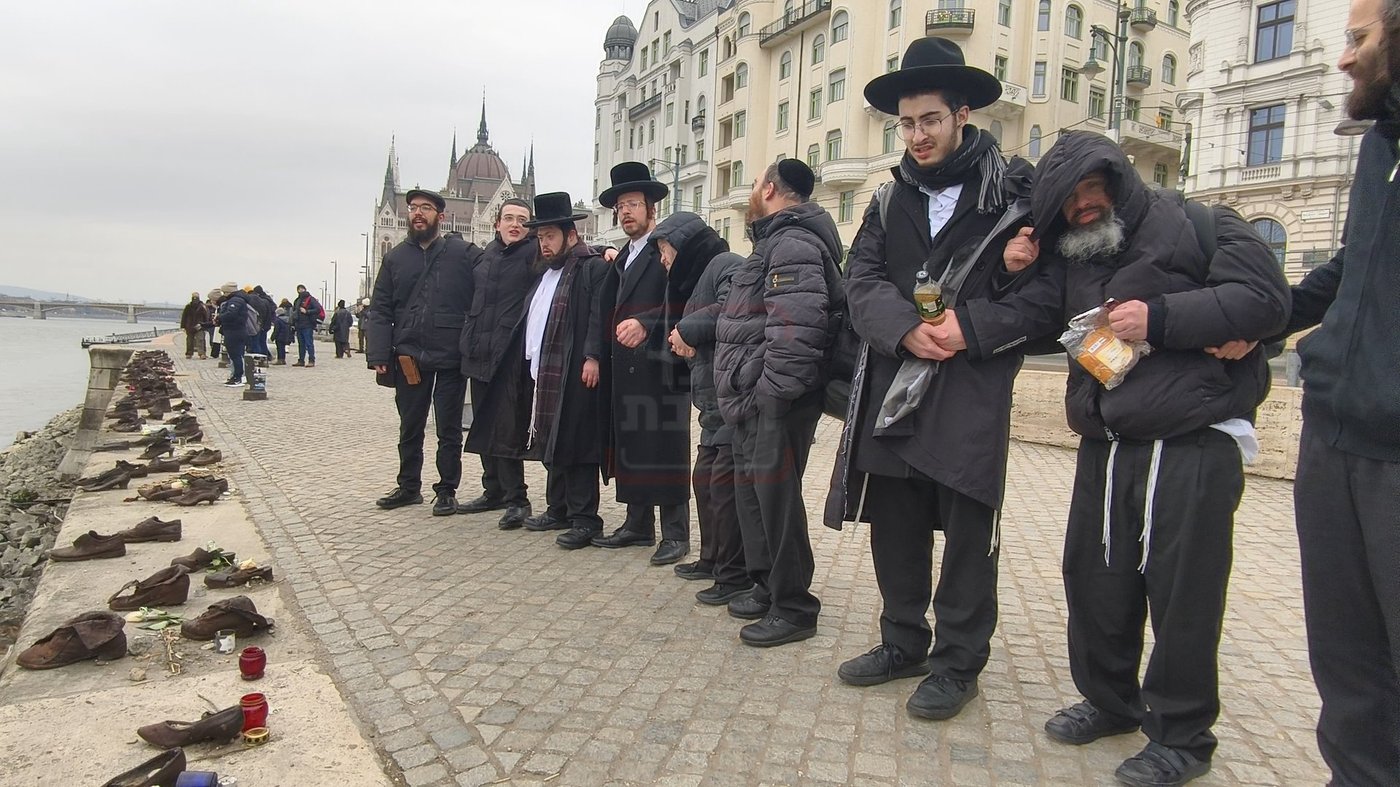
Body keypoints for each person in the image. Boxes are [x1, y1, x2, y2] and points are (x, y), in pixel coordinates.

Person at [1007, 131, 1289, 787]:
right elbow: (1033, 316)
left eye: (1090, 187)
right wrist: (1011, 262)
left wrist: (1158, 317)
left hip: (1191, 441)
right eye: (1067, 199)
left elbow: (1269, 301)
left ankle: (1183, 736)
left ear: (1117, 177)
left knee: (1183, 592)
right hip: (1108, 443)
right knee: (1096, 578)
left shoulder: (1201, 222)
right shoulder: (1077, 255)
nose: (1082, 204)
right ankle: (1111, 701)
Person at [828, 36, 1046, 722]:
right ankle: (902, 640)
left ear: (962, 114)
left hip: (970, 387)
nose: (917, 135)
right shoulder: (887, 201)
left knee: (967, 530)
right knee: (895, 523)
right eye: (907, 123)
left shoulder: (1016, 190)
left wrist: (970, 328)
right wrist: (903, 327)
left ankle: (957, 662)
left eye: (930, 119)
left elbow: (1048, 293)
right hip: (896, 384)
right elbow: (857, 281)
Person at [1273, 1, 1400, 782]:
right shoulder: (1377, 145)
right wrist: (1253, 318)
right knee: (1347, 660)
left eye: (1358, 38)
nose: (1344, 58)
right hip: (1333, 439)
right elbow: (1347, 268)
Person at [712, 159, 844, 647]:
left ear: (768, 189)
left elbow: (796, 329)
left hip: (776, 401)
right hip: (753, 399)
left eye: (753, 184)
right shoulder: (773, 241)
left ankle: (794, 606)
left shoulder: (792, 244)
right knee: (757, 498)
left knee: (778, 500)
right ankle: (766, 586)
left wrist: (769, 394)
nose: (751, 192)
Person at [465, 192, 609, 550]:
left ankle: (585, 518)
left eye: (549, 237)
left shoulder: (588, 267)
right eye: (540, 237)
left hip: (576, 368)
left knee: (576, 445)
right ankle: (558, 507)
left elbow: (597, 316)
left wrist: (593, 356)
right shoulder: (545, 270)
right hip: (541, 370)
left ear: (570, 235)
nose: (543, 244)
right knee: (551, 442)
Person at [590, 163, 696, 566]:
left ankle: (675, 532)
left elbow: (686, 301)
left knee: (665, 447)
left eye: (633, 204)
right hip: (625, 367)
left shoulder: (666, 249)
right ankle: (637, 523)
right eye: (620, 206)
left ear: (651, 208)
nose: (626, 213)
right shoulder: (621, 258)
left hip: (662, 364)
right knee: (632, 442)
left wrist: (648, 324)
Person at [367, 188, 481, 515]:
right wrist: (377, 355)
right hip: (408, 356)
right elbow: (381, 309)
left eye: (426, 208)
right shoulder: (394, 258)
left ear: (440, 217)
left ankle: (446, 490)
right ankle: (408, 486)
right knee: (410, 424)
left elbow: (496, 271)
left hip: (450, 354)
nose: (418, 213)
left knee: (448, 427)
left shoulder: (462, 253)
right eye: (414, 208)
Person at [654, 213, 743, 592]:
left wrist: (686, 330)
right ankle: (711, 558)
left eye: (664, 249)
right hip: (711, 403)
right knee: (704, 482)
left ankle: (731, 572)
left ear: (684, 243)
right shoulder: (694, 283)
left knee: (722, 488)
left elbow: (732, 311)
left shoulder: (726, 264)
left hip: (731, 397)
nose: (662, 259)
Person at [458, 198, 537, 529]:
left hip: (511, 358)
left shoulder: (535, 256)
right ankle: (493, 490)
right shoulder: (484, 257)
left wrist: (603, 249)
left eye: (522, 220)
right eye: (509, 219)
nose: (515, 225)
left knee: (507, 430)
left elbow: (569, 254)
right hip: (479, 353)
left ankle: (518, 499)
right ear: (497, 223)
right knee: (484, 425)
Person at [215, 286, 256, 387]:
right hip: (235, 331)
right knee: (236, 355)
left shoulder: (236, 300)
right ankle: (236, 376)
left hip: (234, 331)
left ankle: (238, 377)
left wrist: (220, 317)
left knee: (236, 355)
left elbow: (231, 314)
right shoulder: (238, 300)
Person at [291, 284, 323, 367]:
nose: (300, 290)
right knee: (301, 344)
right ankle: (301, 360)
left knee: (309, 343)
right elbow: (294, 312)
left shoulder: (311, 299)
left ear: (305, 289)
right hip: (299, 325)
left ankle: (311, 360)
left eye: (301, 289)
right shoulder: (297, 300)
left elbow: (318, 309)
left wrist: (307, 311)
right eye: (299, 289)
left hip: (307, 324)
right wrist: (293, 324)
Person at [250, 285, 277, 357]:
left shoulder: (262, 300)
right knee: (262, 341)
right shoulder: (267, 299)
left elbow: (264, 313)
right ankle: (267, 356)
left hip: (263, 324)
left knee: (260, 341)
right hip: (266, 323)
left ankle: (264, 357)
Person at [180, 292, 208, 359]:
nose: (195, 299)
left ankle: (202, 353)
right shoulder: (188, 306)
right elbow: (184, 316)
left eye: (196, 297)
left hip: (199, 325)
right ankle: (189, 353)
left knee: (200, 340)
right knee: (189, 340)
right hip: (189, 325)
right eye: (194, 297)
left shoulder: (202, 306)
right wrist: (183, 326)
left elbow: (206, 316)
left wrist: (205, 325)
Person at [272, 299, 294, 365]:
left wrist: (273, 337)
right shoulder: (287, 320)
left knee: (279, 349)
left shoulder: (278, 320)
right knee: (283, 349)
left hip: (279, 337)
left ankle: (279, 360)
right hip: (285, 336)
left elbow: (276, 330)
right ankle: (283, 360)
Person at [205, 293, 222, 360]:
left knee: (216, 339)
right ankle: (214, 354)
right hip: (216, 325)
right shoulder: (217, 307)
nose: (211, 301)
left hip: (218, 325)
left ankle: (215, 354)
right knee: (215, 339)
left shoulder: (220, 306)